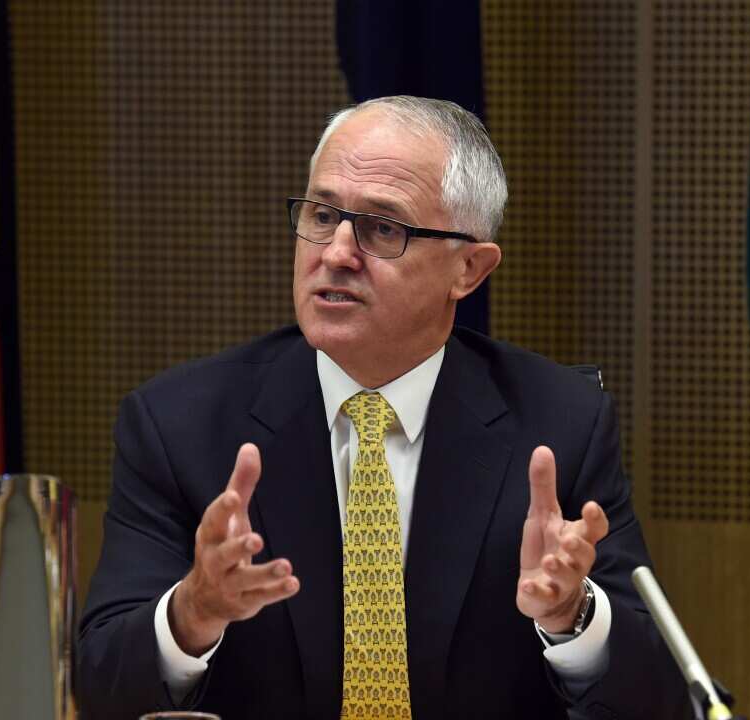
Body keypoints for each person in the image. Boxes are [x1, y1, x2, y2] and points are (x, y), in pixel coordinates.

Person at [77, 96, 689, 719]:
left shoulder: (561, 426)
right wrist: (193, 612)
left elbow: (662, 700)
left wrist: (571, 615)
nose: (336, 252)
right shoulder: (178, 426)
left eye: (382, 229)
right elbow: (99, 689)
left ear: (469, 269)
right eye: (322, 215)